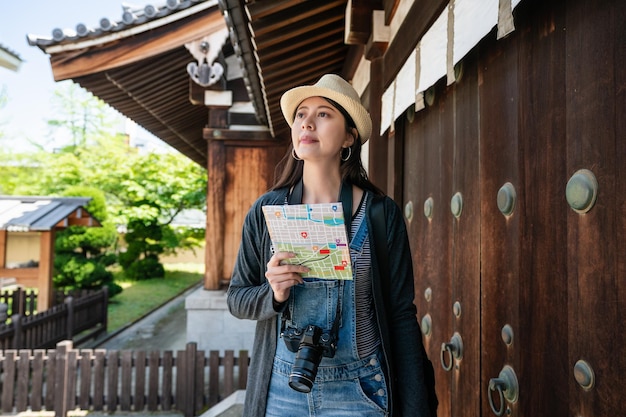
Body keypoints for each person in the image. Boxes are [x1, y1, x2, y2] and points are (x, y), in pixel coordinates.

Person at [227, 74, 435, 416]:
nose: (307, 122)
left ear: (349, 136)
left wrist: (416, 405)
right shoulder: (267, 211)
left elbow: (400, 315)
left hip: (361, 389)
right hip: (282, 389)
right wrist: (274, 294)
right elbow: (237, 299)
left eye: (323, 114)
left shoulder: (380, 214)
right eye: (300, 115)